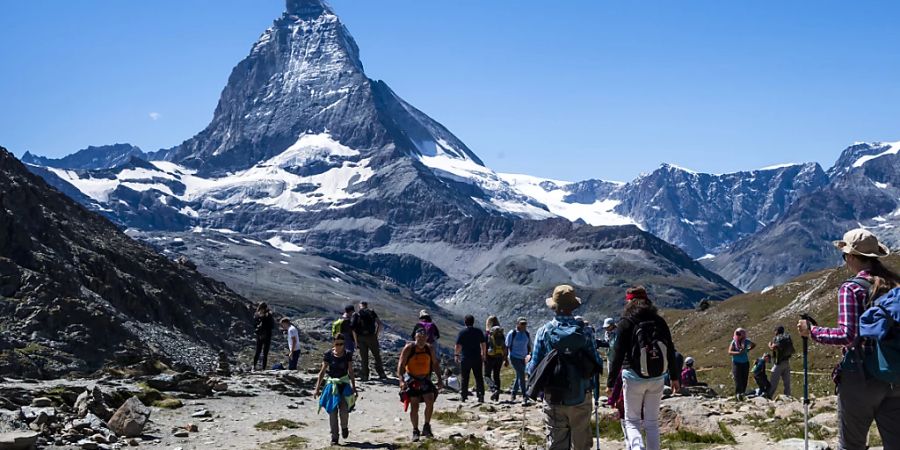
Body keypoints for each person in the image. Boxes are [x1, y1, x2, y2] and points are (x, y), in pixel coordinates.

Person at [797, 228, 900, 450]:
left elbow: (848, 335)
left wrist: (811, 331)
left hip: (861, 375)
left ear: (852, 257)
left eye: (845, 255)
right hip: (895, 374)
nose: (844, 260)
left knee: (851, 445)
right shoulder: (894, 284)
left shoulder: (852, 288)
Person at [528, 285, 603, 450]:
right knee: (581, 442)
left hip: (554, 396)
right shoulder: (586, 331)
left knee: (557, 443)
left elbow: (534, 367)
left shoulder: (544, 331)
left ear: (554, 306)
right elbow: (597, 362)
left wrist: (528, 363)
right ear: (573, 307)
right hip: (581, 394)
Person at [606, 286, 679, 450]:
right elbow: (671, 350)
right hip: (658, 378)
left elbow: (617, 355)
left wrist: (610, 384)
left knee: (632, 421)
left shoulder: (626, 322)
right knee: (652, 423)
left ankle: (637, 448)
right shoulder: (659, 321)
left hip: (633, 377)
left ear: (629, 301)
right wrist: (674, 377)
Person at [398, 328, 443, 442]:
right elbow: (401, 364)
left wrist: (439, 378)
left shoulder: (430, 348)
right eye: (419, 337)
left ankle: (426, 426)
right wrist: (401, 380)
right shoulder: (409, 348)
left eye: (423, 338)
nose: (421, 340)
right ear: (415, 337)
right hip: (412, 379)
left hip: (425, 378)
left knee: (430, 400)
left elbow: (435, 364)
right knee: (415, 405)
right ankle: (415, 430)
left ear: (427, 338)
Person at [314, 335, 357, 445]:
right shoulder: (328, 354)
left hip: (344, 384)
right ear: (333, 343)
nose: (339, 346)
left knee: (344, 411)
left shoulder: (347, 354)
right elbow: (322, 371)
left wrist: (354, 387)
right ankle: (334, 437)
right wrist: (317, 388)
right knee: (332, 412)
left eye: (341, 344)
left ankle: (344, 427)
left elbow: (351, 371)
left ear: (344, 344)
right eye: (337, 344)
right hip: (332, 385)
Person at [351, 301, 387, 381]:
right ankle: (382, 374)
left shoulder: (357, 314)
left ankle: (365, 375)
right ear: (366, 306)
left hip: (361, 338)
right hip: (372, 337)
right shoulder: (372, 312)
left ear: (360, 306)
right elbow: (380, 324)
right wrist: (376, 335)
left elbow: (353, 329)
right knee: (377, 356)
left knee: (364, 357)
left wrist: (356, 341)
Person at [455, 315, 486, 403]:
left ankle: (464, 396)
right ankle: (481, 395)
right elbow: (483, 344)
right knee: (478, 377)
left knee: (465, 377)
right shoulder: (478, 331)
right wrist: (483, 354)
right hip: (477, 358)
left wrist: (456, 355)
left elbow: (458, 345)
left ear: (465, 322)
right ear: (473, 321)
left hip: (466, 358)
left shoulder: (462, 332)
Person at [505, 317, 532, 404]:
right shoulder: (512, 333)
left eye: (525, 324)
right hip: (514, 357)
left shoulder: (527, 334)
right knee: (521, 374)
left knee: (519, 376)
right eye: (522, 324)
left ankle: (513, 394)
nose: (524, 325)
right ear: (517, 324)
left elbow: (529, 345)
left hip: (523, 358)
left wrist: (529, 355)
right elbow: (507, 346)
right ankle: (525, 395)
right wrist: (506, 359)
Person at [483, 315, 507, 402]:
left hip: (490, 356)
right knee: (496, 375)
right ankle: (497, 397)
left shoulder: (488, 333)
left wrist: (484, 356)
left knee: (486, 375)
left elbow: (484, 345)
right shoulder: (501, 333)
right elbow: (505, 346)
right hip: (499, 356)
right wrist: (505, 358)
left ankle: (493, 389)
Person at [767, 325, 794, 398]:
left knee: (773, 382)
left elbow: (773, 348)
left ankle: (769, 396)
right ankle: (788, 397)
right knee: (787, 383)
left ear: (777, 331)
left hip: (779, 363)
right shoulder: (787, 337)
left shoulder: (778, 338)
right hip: (787, 362)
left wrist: (769, 345)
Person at [727, 328, 755, 398]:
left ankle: (743, 394)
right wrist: (738, 352)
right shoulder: (734, 342)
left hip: (745, 363)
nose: (738, 335)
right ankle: (738, 394)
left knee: (744, 379)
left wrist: (748, 349)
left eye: (739, 334)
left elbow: (753, 344)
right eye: (737, 334)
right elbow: (729, 352)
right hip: (736, 363)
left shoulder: (746, 341)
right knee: (737, 378)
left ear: (743, 334)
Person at [252, 302, 275, 371]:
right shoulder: (257, 315)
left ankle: (263, 368)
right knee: (258, 351)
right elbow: (255, 325)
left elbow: (271, 326)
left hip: (267, 335)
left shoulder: (268, 316)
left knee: (265, 352)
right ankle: (254, 366)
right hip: (260, 335)